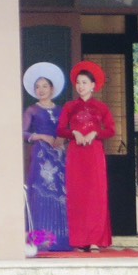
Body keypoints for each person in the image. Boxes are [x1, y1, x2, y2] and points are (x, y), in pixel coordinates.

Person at [57, 61, 115, 251]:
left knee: (96, 195)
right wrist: (74, 133)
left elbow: (111, 131)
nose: (80, 86)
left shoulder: (101, 107)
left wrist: (95, 133)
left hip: (94, 154)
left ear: (93, 85)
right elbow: (60, 129)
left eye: (84, 82)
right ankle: (80, 239)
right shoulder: (69, 106)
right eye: (78, 82)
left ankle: (97, 238)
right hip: (76, 154)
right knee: (77, 195)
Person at [22, 62, 70, 251]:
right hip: (41, 157)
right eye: (37, 87)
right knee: (40, 195)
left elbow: (67, 130)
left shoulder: (61, 110)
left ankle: (61, 240)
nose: (40, 90)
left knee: (61, 196)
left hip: (59, 157)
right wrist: (40, 136)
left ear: (52, 88)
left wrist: (62, 140)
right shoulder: (31, 110)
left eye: (44, 86)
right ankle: (40, 240)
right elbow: (22, 133)